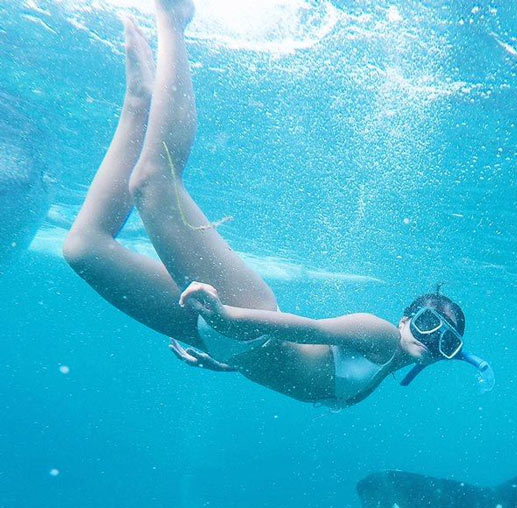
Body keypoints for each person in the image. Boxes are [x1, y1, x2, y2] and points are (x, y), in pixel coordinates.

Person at [62, 1, 493, 409]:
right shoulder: (380, 336)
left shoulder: (384, 371)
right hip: (238, 317)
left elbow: (298, 373)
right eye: (425, 323)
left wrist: (227, 360)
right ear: (404, 320)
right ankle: (174, 21)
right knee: (154, 184)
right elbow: (309, 331)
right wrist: (228, 317)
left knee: (85, 249)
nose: (430, 340)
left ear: (448, 354)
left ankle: (140, 101)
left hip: (228, 339)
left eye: (445, 341)